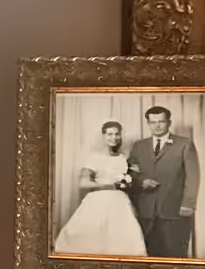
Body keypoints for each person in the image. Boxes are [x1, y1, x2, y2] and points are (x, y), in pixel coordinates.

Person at [54, 121, 148, 256]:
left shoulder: (122, 158)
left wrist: (128, 183)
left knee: (121, 240)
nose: (113, 138)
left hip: (120, 203)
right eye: (109, 134)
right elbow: (83, 183)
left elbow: (126, 180)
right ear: (103, 136)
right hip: (98, 200)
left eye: (117, 134)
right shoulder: (93, 157)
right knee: (92, 239)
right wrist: (108, 185)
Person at [129, 105, 201, 259]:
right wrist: (141, 181)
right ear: (148, 123)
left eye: (161, 121)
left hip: (174, 210)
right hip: (146, 210)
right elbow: (130, 173)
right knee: (149, 255)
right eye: (153, 122)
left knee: (175, 254)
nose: (157, 125)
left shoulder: (184, 143)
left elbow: (193, 176)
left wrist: (188, 203)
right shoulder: (138, 146)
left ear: (169, 122)